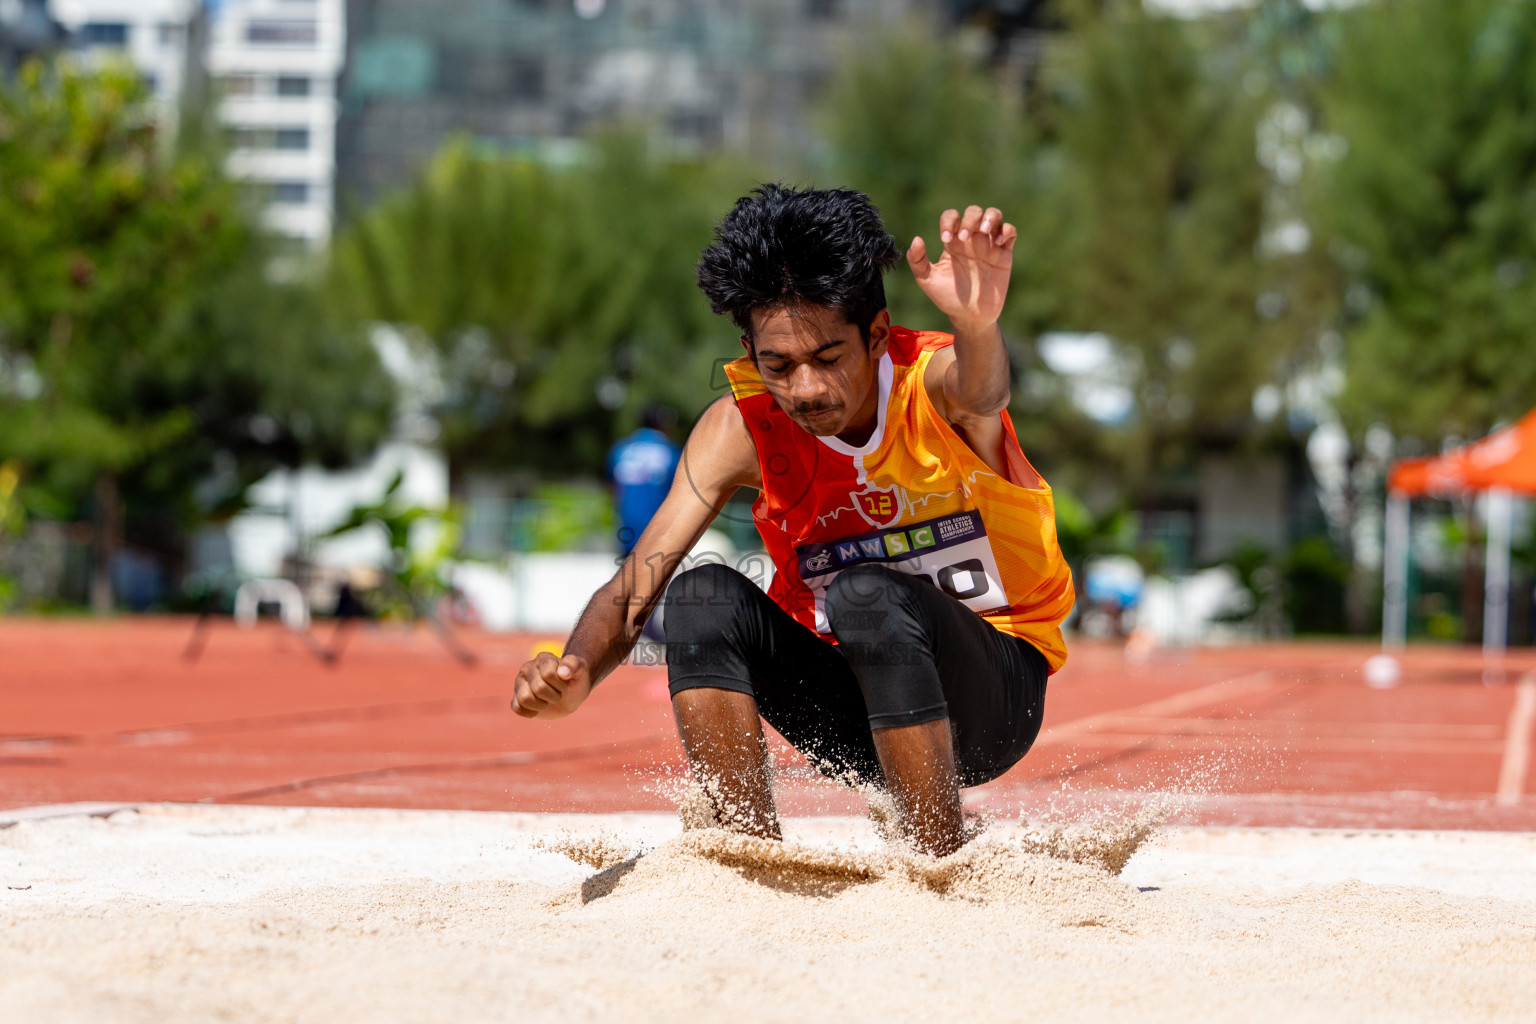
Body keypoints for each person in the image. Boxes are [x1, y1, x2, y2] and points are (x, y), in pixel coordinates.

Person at [512, 186, 1074, 856]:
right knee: (699, 594)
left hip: (993, 699)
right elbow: (637, 586)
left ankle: (938, 865)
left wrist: (979, 328)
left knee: (865, 593)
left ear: (874, 335)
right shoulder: (741, 430)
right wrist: (574, 670)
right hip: (859, 710)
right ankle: (747, 858)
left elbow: (982, 392)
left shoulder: (931, 385)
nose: (805, 388)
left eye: (828, 359)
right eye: (778, 365)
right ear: (751, 354)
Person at [608, 405, 682, 557]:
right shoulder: (671, 451)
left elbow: (612, 488)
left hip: (625, 532)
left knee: (628, 578)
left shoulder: (621, 449)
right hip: (658, 536)